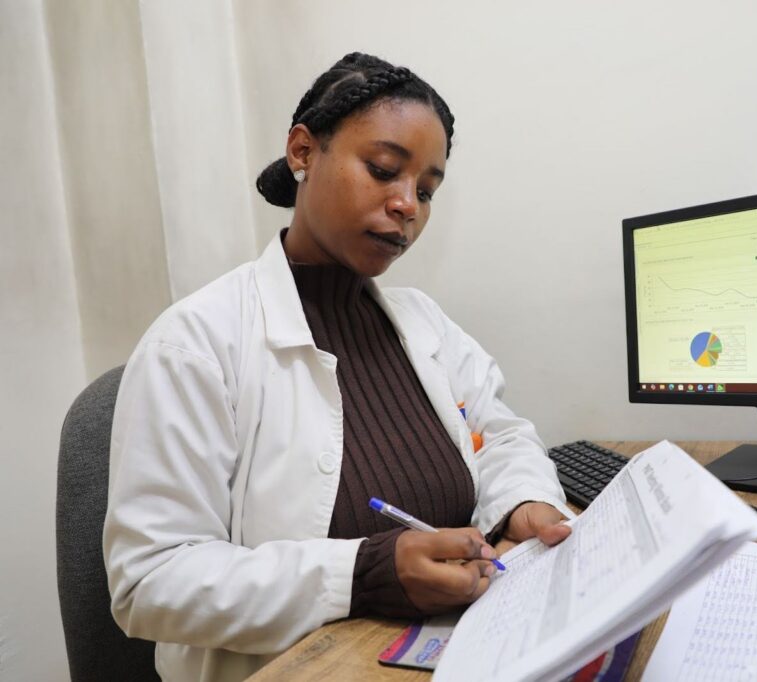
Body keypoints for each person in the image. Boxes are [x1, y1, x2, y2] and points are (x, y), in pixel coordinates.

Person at [103, 52, 573, 682]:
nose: (408, 204)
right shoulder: (195, 343)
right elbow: (149, 581)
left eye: (427, 190)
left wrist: (523, 503)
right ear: (303, 151)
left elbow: (500, 434)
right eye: (384, 170)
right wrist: (361, 573)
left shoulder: (421, 322)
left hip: (453, 650)